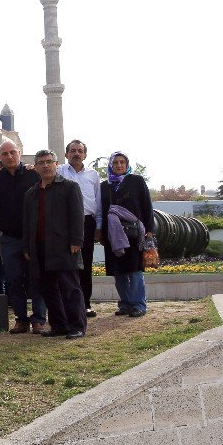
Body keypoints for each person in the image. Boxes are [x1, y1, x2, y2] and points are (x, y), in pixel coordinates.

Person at [0, 140, 47, 334]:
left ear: (20, 153)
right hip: (9, 238)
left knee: (36, 278)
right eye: (5, 154)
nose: (9, 157)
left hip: (33, 237)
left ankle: (39, 319)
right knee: (14, 279)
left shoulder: (34, 174)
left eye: (12, 152)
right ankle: (21, 319)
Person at [23, 150, 87, 339]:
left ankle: (77, 326)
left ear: (56, 164)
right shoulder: (31, 193)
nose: (45, 166)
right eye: (41, 163)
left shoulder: (70, 187)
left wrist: (77, 241)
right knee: (48, 288)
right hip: (40, 247)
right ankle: (59, 325)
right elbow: (27, 223)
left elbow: (77, 216)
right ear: (35, 167)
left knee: (70, 288)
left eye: (49, 162)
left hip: (64, 246)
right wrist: (27, 247)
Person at [101, 151, 154, 317]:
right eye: (115, 162)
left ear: (127, 164)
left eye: (122, 162)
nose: (118, 165)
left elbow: (147, 205)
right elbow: (101, 210)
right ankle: (125, 303)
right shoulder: (105, 185)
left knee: (135, 270)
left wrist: (150, 230)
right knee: (119, 271)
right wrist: (102, 233)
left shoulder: (136, 181)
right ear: (111, 165)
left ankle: (138, 304)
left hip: (134, 234)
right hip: (113, 235)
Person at [57, 139, 102, 319]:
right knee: (66, 264)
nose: (76, 153)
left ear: (85, 154)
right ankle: (66, 305)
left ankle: (85, 304)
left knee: (86, 264)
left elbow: (98, 202)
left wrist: (98, 227)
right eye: (72, 150)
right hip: (63, 223)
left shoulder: (93, 175)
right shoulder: (58, 171)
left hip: (87, 223)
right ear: (66, 154)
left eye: (80, 150)